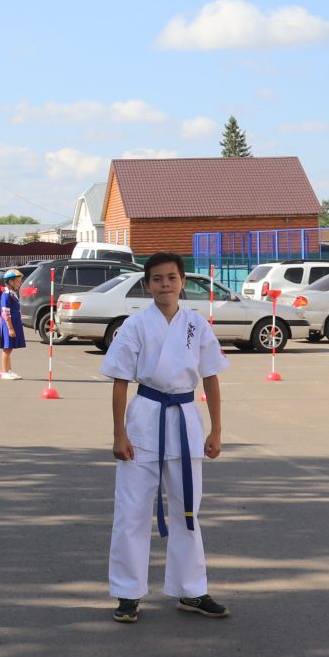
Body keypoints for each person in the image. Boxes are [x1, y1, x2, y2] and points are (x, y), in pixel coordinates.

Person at [101, 251, 230, 624]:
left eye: (171, 278)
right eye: (157, 279)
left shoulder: (196, 325)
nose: (165, 285)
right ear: (147, 285)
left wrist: (217, 429)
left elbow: (211, 376)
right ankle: (128, 592)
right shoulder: (135, 326)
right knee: (131, 512)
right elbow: (120, 380)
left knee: (188, 511)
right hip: (144, 421)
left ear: (182, 281)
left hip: (186, 420)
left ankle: (192, 589)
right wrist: (118, 433)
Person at [0, 268, 25, 380]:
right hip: (9, 325)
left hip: (14, 324)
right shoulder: (6, 295)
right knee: (7, 348)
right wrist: (10, 328)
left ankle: (9, 370)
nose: (20, 283)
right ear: (10, 282)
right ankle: (4, 371)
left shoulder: (13, 294)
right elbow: (5, 313)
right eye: (18, 281)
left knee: (10, 348)